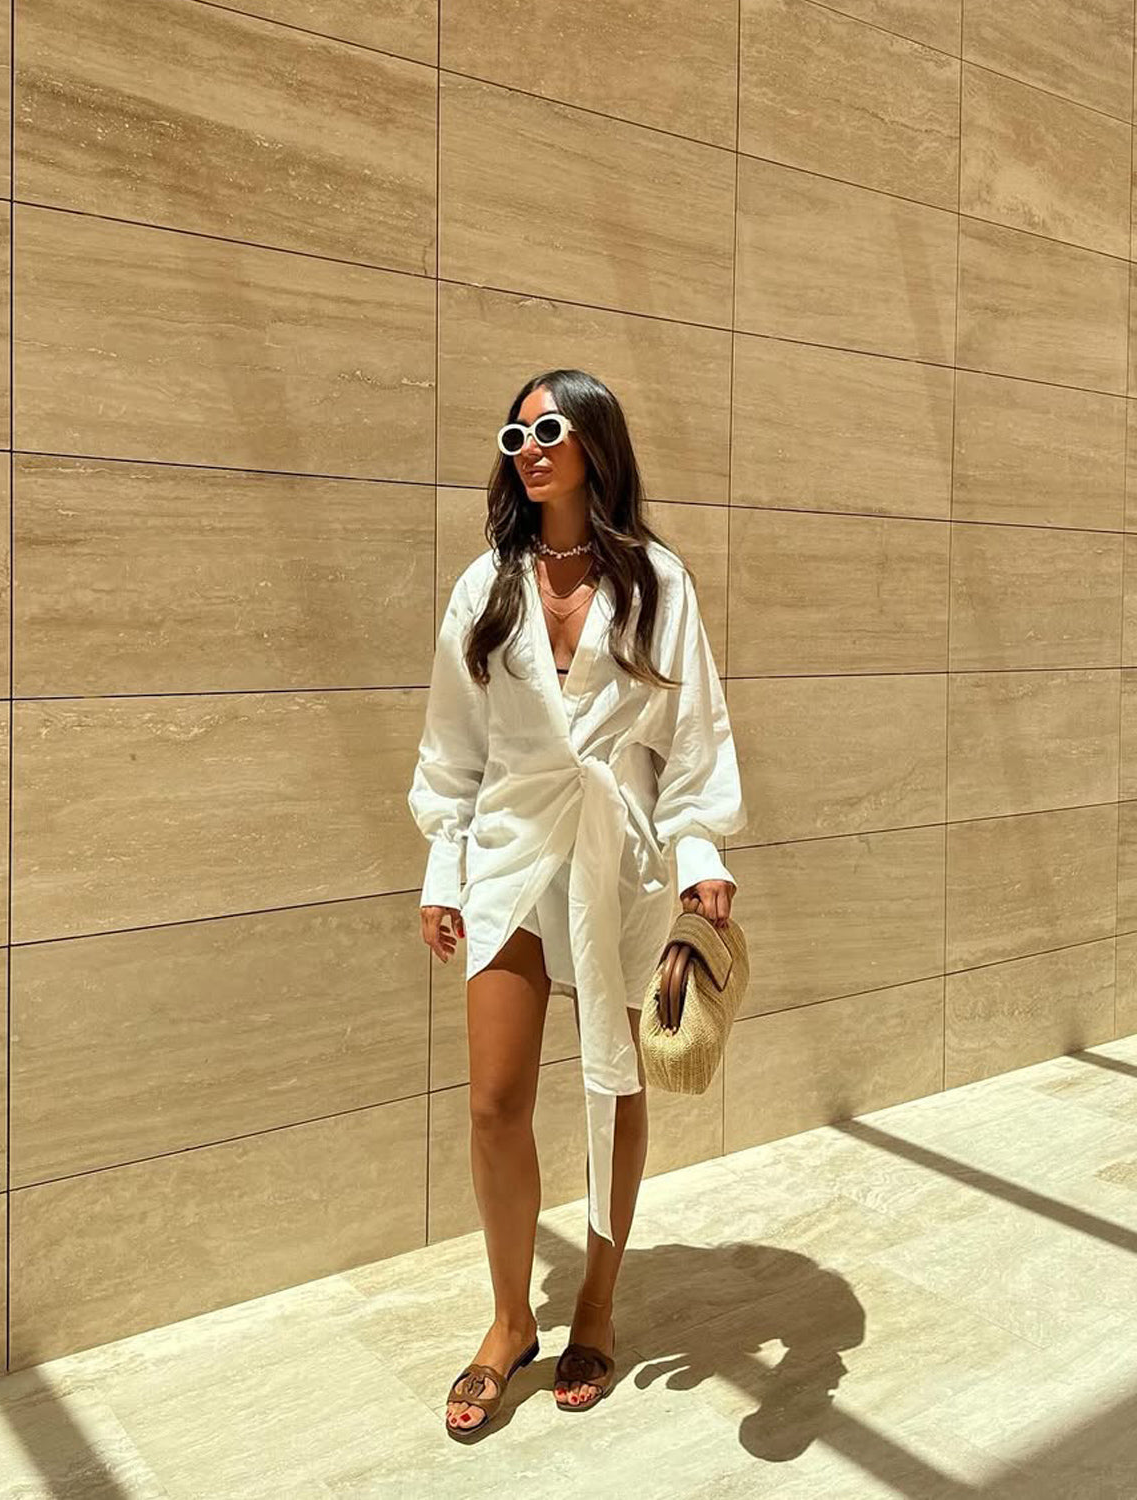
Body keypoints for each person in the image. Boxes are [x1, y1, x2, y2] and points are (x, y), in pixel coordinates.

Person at [407, 367, 747, 1438]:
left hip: (617, 856)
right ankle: (511, 1320)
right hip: (510, 850)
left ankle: (595, 1302)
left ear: (595, 440)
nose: (530, 448)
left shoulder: (656, 581)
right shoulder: (487, 586)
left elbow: (691, 736)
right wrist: (443, 868)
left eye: (549, 428)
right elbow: (452, 745)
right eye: (515, 435)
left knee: (613, 1081)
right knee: (494, 1102)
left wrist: (700, 849)